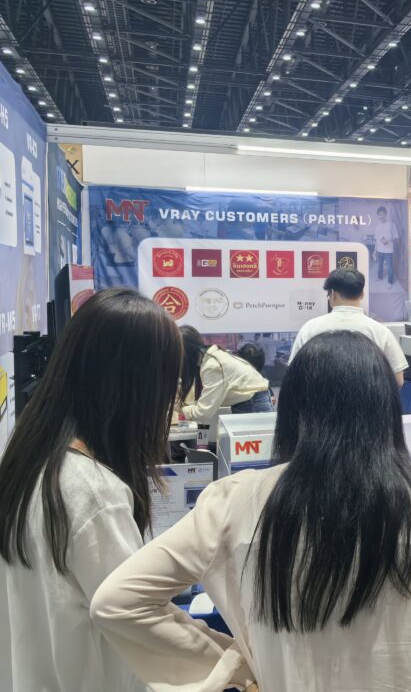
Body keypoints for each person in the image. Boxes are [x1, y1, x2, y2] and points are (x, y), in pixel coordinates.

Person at [91, 331, 411, 691]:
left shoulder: (234, 502)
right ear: (385, 408)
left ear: (292, 408)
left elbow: (117, 602)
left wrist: (235, 666)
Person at [0, 288, 227, 692]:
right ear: (136, 387)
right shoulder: (91, 492)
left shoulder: (30, 460)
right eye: (169, 384)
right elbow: (138, 618)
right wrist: (238, 661)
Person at [289, 267, 408, 385]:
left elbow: (294, 375)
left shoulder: (310, 329)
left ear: (332, 294)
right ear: (362, 294)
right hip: (368, 397)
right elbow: (398, 380)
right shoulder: (380, 332)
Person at [179, 326, 272, 424]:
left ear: (186, 352)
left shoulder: (212, 366)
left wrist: (178, 408)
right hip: (251, 401)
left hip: (253, 404)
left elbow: (202, 413)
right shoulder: (211, 358)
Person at [374, 205, 399, 285]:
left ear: (386, 214)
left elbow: (396, 236)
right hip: (379, 250)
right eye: (379, 215)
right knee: (380, 266)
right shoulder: (377, 226)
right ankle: (379, 277)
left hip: (389, 250)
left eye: (382, 214)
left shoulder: (391, 225)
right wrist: (375, 250)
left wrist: (388, 240)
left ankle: (390, 281)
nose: (381, 216)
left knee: (389, 267)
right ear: (378, 216)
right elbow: (376, 239)